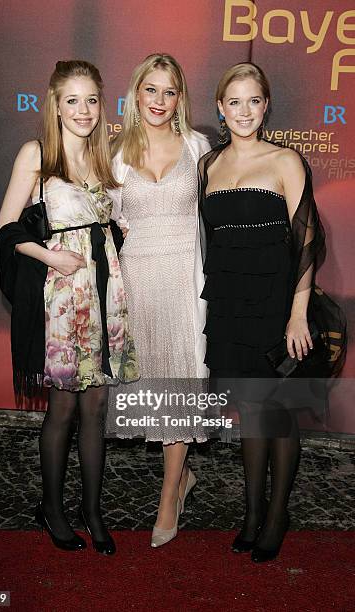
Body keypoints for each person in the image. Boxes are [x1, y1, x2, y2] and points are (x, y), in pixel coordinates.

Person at [0, 60, 138, 555]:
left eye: (92, 100)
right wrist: (50, 254)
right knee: (63, 408)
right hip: (61, 300)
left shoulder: (105, 160)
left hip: (104, 297)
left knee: (96, 407)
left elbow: (111, 224)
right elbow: (7, 229)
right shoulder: (36, 154)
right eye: (72, 100)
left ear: (103, 105)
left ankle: (92, 510)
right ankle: (52, 508)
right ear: (55, 106)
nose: (83, 110)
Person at [198, 62, 327, 562]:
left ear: (266, 104)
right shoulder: (210, 165)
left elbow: (307, 240)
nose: (244, 111)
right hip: (229, 304)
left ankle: (277, 515)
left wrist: (297, 315)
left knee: (278, 414)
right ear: (220, 109)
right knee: (250, 413)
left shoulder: (286, 161)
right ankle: (251, 513)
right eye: (234, 102)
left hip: (276, 304)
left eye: (254, 100)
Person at [106, 53, 211, 548]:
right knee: (153, 384)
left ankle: (170, 494)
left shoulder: (198, 146)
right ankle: (183, 477)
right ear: (136, 93)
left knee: (180, 383)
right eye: (151, 89)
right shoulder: (115, 152)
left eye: (169, 92)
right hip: (137, 280)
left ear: (180, 99)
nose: (159, 101)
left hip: (185, 280)